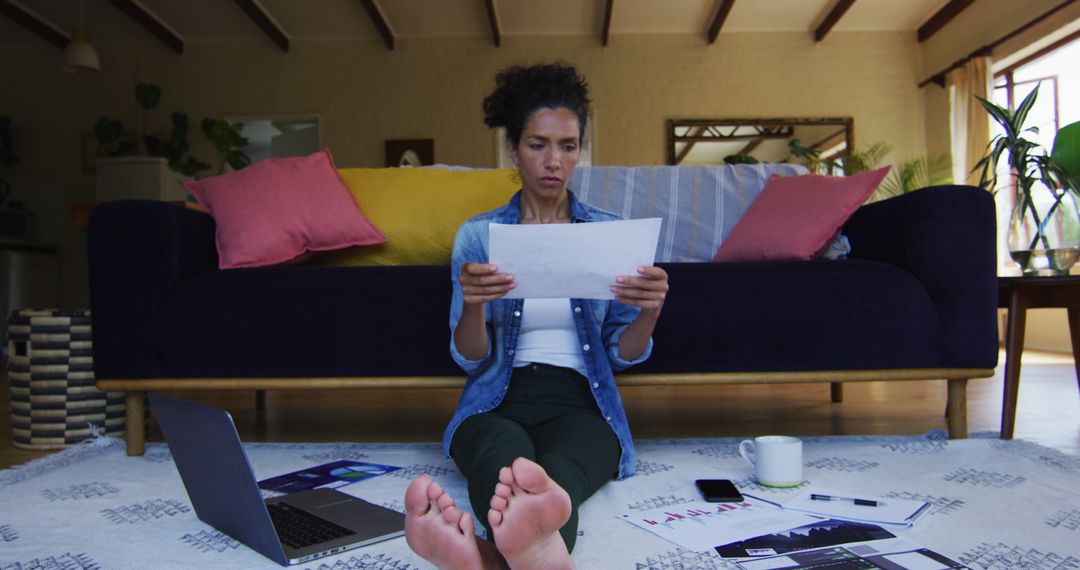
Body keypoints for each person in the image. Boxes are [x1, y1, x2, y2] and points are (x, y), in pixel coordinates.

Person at [403, 63, 669, 569]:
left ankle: (490, 557)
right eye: (537, 144)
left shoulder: (608, 234)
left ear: (579, 152)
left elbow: (623, 355)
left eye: (567, 146)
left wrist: (649, 313)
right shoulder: (479, 236)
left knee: (558, 474)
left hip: (583, 402)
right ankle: (535, 555)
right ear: (512, 150)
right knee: (499, 461)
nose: (553, 161)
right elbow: (468, 356)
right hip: (495, 399)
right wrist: (476, 303)